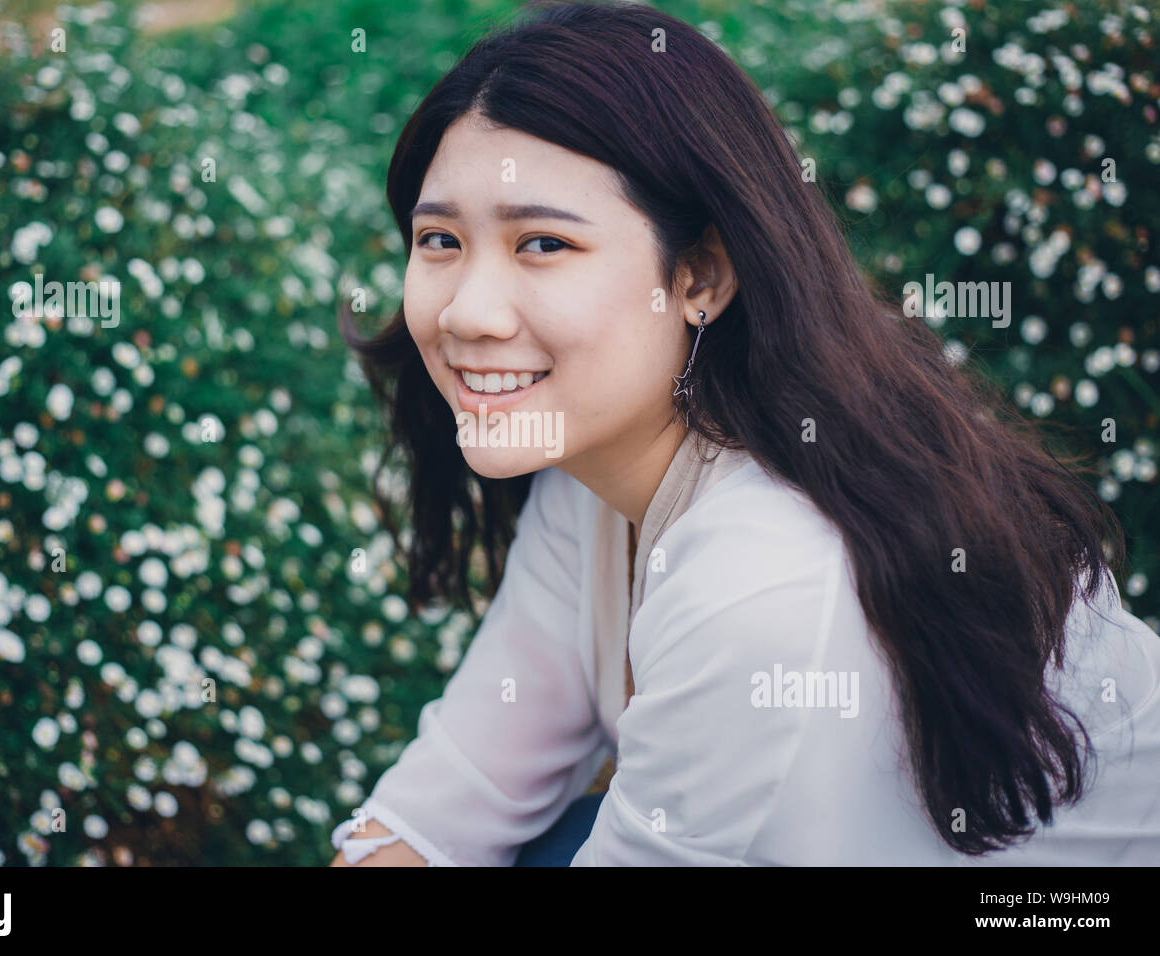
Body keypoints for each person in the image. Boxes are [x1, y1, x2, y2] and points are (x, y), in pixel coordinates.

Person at [329, 0, 1160, 866]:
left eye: (542, 242)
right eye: (439, 239)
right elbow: (445, 803)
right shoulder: (592, 472)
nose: (467, 311)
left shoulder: (766, 579)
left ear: (702, 275)